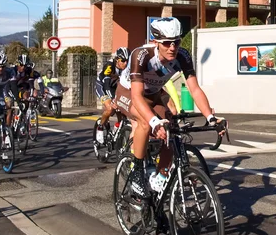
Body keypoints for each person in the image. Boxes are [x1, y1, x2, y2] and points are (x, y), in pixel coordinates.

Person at [115, 17, 221, 200]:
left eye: (176, 42)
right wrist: (154, 121)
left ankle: (161, 177)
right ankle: (137, 174)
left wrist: (211, 117)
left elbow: (194, 89)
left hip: (154, 93)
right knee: (145, 123)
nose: (172, 47)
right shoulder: (141, 55)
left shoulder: (183, 56)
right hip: (129, 92)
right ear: (156, 42)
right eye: (166, 43)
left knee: (171, 129)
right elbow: (137, 96)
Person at [94, 47, 129, 145]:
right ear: (117, 60)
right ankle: (100, 127)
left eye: (127, 61)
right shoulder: (110, 65)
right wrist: (113, 100)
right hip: (102, 86)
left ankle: (117, 129)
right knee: (110, 108)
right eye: (123, 61)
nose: (125, 63)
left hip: (114, 87)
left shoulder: (127, 67)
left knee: (122, 111)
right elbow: (106, 85)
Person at [6, 54, 45, 124]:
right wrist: (16, 99)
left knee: (27, 97)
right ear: (17, 64)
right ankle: (8, 129)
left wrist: (41, 92)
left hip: (21, 88)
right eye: (21, 65)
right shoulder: (12, 71)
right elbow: (11, 85)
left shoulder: (29, 71)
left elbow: (34, 82)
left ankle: (24, 115)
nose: (23, 67)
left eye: (25, 66)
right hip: (10, 88)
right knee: (9, 108)